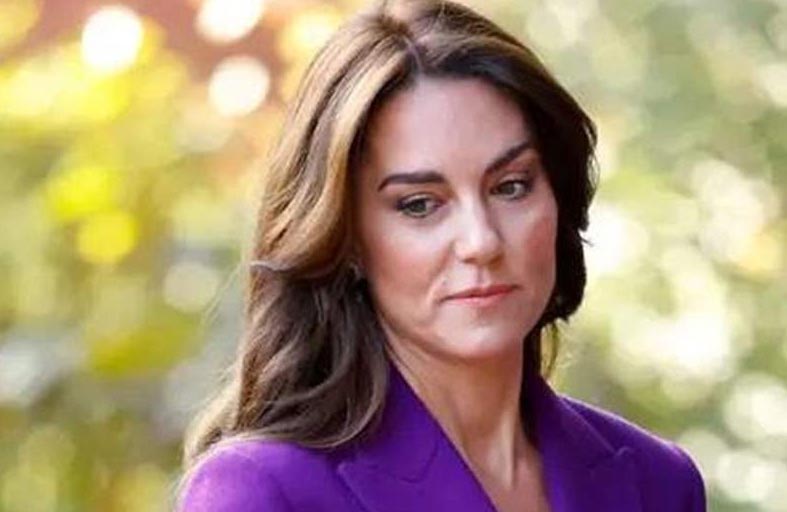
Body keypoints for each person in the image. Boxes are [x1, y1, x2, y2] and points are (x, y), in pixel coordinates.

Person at [176, 0, 706, 510]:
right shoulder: (263, 492)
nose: (482, 242)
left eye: (511, 186)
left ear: (558, 198)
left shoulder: (658, 483)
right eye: (420, 204)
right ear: (346, 237)